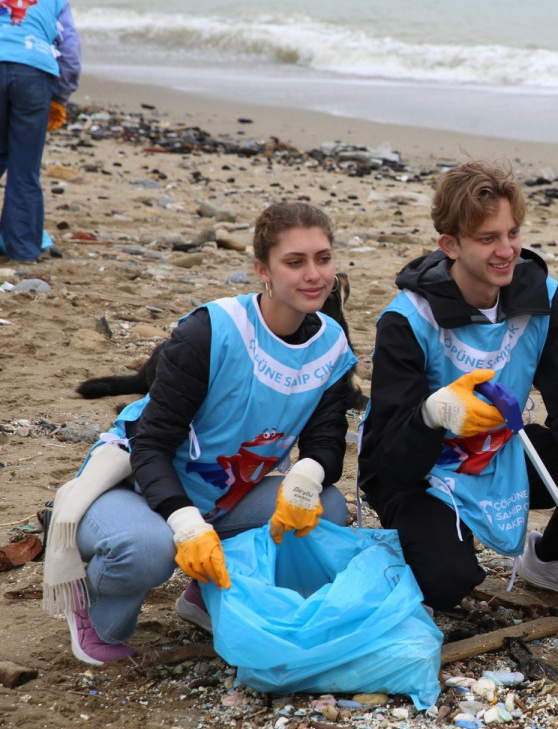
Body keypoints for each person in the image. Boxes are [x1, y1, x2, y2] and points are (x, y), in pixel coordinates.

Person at [43, 203, 358, 665]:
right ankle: (95, 606)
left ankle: (205, 592)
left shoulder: (330, 344)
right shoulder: (212, 330)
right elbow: (150, 445)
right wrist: (187, 525)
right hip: (135, 483)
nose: (314, 275)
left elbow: (327, 441)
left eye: (323, 259)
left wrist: (306, 477)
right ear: (263, 270)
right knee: (147, 549)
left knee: (325, 509)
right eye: (295, 262)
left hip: (225, 494)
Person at [358, 161, 558, 614]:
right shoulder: (407, 318)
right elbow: (388, 459)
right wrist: (435, 412)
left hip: (499, 449)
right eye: (487, 239)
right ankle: (402, 555)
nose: (506, 251)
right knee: (447, 581)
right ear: (450, 245)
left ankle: (555, 562)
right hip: (421, 469)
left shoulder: (538, 296)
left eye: (512, 233)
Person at [0, 0, 81, 262]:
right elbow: (70, 52)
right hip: (33, 71)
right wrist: (60, 98)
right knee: (25, 168)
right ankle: (22, 251)